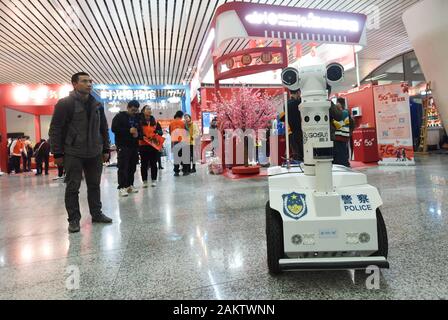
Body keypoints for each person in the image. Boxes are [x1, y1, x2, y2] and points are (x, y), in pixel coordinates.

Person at [49, 72, 112, 234]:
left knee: (94, 185)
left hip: (94, 152)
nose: (89, 84)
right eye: (84, 81)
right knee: (72, 187)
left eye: (90, 81)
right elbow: (55, 129)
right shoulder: (65, 104)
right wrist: (57, 153)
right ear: (74, 84)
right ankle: (74, 220)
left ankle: (96, 214)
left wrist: (106, 148)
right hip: (73, 152)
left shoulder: (97, 104)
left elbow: (103, 128)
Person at [112, 100, 142, 197]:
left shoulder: (137, 118)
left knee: (132, 167)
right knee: (123, 167)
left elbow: (140, 131)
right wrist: (128, 130)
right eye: (133, 109)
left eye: (136, 110)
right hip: (123, 145)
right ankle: (122, 187)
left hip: (134, 146)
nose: (134, 112)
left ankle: (129, 185)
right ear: (128, 108)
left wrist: (138, 134)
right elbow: (114, 129)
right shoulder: (119, 117)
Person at [139, 106, 163, 188]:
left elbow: (161, 132)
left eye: (150, 109)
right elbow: (138, 133)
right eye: (147, 109)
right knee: (144, 164)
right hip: (143, 145)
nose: (149, 110)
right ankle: (145, 181)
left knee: (154, 163)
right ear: (143, 111)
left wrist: (157, 132)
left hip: (153, 145)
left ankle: (154, 180)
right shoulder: (139, 121)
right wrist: (142, 136)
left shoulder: (155, 121)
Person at [280, 89, 303, 162]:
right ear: (298, 92)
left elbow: (283, 118)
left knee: (295, 153)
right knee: (303, 153)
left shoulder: (286, 104)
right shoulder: (300, 103)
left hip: (291, 132)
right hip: (301, 132)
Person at [331, 97, 354, 167]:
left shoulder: (336, 114)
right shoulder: (347, 112)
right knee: (344, 153)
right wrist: (350, 133)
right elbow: (352, 124)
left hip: (337, 137)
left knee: (338, 155)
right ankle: (346, 165)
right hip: (345, 137)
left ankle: (341, 166)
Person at [169, 111, 187, 176]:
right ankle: (185, 171)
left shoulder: (171, 123)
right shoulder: (183, 123)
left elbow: (170, 133)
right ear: (181, 115)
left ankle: (176, 172)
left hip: (174, 142)